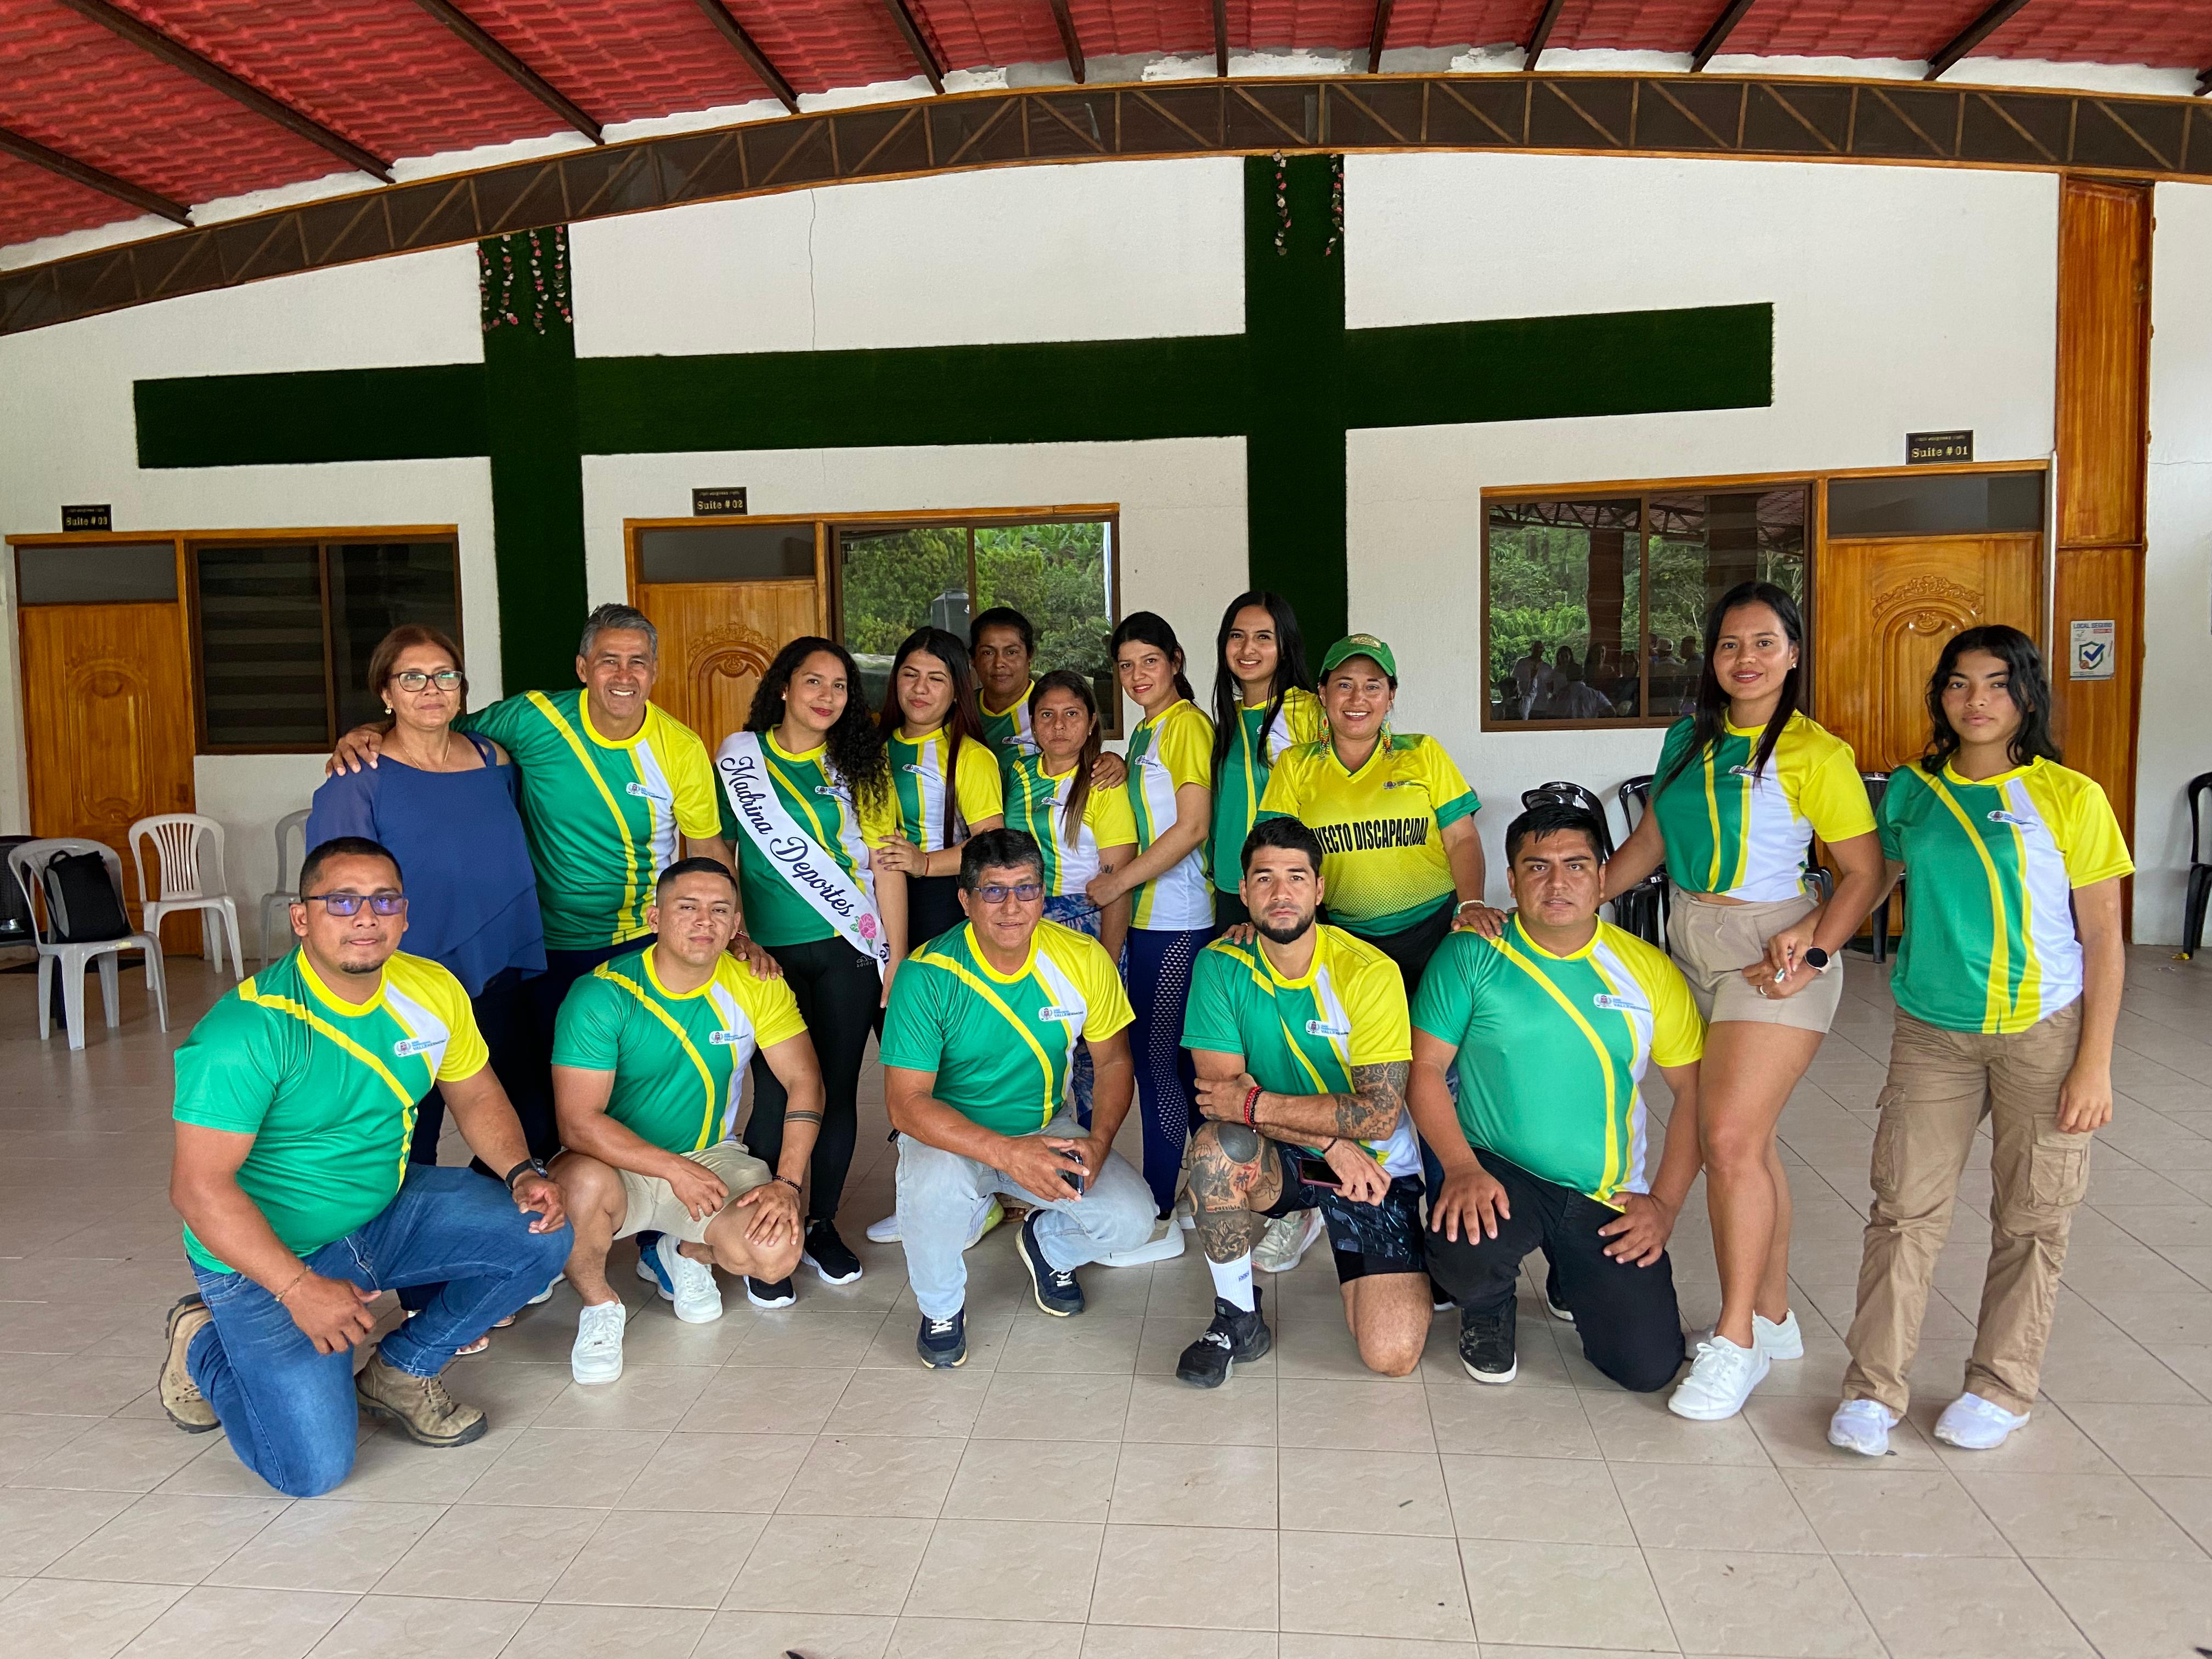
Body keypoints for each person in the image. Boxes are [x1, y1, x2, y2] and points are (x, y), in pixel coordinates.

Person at [158, 837, 570, 1497]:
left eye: (384, 901)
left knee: (542, 1233)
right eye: (342, 901)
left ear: (405, 916)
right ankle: (204, 1341)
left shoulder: (431, 988)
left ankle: (401, 1371)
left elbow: (476, 1093)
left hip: (382, 1212)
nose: (366, 918)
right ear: (302, 918)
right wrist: (298, 1289)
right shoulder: (245, 1031)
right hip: (268, 1257)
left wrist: (522, 1172)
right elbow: (198, 1190)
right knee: (310, 1472)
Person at [1583, 582, 1884, 1423]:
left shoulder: (1816, 752)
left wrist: (1815, 949)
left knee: (1725, 1138)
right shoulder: (1688, 737)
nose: (1745, 659)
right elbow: (1651, 839)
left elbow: (1866, 873)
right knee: (1750, 1144)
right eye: (1729, 644)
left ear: (1793, 654)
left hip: (1773, 951)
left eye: (1763, 643)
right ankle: (1775, 1318)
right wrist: (1577, 898)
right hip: (1689, 939)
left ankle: (1736, 1338)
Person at [1827, 626, 2130, 1458]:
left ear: (2026, 695)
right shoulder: (1913, 791)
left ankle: (2001, 1386)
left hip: (2044, 1030)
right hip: (1933, 1033)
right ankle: (1872, 1390)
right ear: (1941, 697)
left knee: (2032, 1218)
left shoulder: (2071, 796)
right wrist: (1811, 943)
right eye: (1959, 684)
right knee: (1902, 1212)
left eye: (1997, 683)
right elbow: (1871, 879)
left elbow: (2105, 938)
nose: (1977, 700)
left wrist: (2095, 1064)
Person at [331, 604, 731, 1160]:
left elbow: (707, 849)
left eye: (638, 662)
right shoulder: (531, 718)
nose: (624, 675)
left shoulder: (680, 748)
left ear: (655, 671)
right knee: (532, 1102)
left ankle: (626, 1200)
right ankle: (512, 1193)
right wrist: (369, 731)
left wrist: (734, 933)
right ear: (582, 668)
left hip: (636, 944)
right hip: (542, 950)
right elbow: (435, 724)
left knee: (629, 1090)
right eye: (609, 660)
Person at [1410, 803, 1705, 1393]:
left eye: (1576, 866)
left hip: (1604, 1189)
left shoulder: (1647, 970)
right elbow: (1425, 1070)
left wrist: (1664, 1206)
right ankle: (1487, 1306)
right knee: (1464, 1246)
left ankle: (1570, 1272)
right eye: (1537, 867)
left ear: (1602, 876)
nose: (1557, 883)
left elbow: (1694, 1096)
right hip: (1498, 1171)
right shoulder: (1471, 954)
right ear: (1512, 879)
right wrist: (1462, 1168)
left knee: (1647, 1368)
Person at [881, 830, 1155, 1367]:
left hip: (1043, 1127)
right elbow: (906, 1104)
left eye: (1026, 889)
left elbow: (1114, 1063)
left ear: (1043, 894)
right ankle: (941, 1309)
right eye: (993, 891)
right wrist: (1008, 1155)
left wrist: (1099, 1142)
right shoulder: (927, 973)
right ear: (965, 900)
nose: (1012, 907)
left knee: (1131, 1219)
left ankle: (1047, 1246)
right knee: (931, 1194)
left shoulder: (1082, 957)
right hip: (950, 1135)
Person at [1176, 817, 1430, 1386]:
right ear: (1244, 892)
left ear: (1319, 889)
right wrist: (1331, 1144)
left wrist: (1258, 1106)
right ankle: (1238, 1316)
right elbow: (1220, 1100)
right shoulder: (1219, 965)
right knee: (1215, 1152)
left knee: (1391, 1355)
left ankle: (1394, 1248)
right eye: (1264, 878)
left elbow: (1379, 1115)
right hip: (1297, 1156)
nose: (1280, 892)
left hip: (1371, 1168)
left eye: (1296, 877)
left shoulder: (1369, 972)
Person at [549, 860, 825, 1375]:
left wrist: (787, 1183)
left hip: (712, 1156)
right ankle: (600, 1305)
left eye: (719, 910)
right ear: (655, 917)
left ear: (736, 924)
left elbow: (804, 1081)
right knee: (578, 1187)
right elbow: (578, 1123)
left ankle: (688, 1252)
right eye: (687, 907)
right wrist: (674, 1170)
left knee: (776, 1254)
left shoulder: (756, 982)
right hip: (614, 1165)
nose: (704, 921)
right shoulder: (602, 994)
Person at [306, 626, 546, 1173]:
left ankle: (501, 1214)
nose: (431, 689)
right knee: (411, 1129)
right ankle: (404, 1222)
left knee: (520, 1118)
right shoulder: (357, 778)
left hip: (497, 966)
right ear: (386, 693)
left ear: (461, 688)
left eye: (445, 676)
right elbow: (334, 892)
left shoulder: (493, 759)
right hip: (405, 978)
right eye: (412, 678)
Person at [717, 636, 905, 1304]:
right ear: (784, 687)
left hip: (848, 948)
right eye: (814, 682)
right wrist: (735, 935)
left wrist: (895, 957)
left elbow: (886, 867)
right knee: (775, 1096)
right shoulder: (740, 760)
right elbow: (717, 852)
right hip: (766, 955)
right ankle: (761, 1231)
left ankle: (818, 1222)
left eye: (841, 686)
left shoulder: (861, 766)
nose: (828, 696)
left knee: (837, 1090)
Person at [1257, 633, 1485, 1000]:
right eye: (1344, 685)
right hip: (1346, 940)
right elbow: (1274, 852)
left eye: (1373, 686)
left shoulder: (1423, 753)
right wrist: (1265, 915)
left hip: (1435, 933)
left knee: (1435, 1034)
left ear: (1390, 696)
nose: (1357, 699)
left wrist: (1472, 903)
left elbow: (1462, 837)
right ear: (1323, 693)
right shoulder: (1296, 764)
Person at [1086, 612, 1215, 1222]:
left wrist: (1118, 882)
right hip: (1149, 920)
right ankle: (1209, 1183)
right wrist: (1116, 760)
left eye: (1150, 662)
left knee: (1157, 1063)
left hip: (1178, 921)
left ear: (1176, 662)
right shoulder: (1145, 732)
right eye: (1126, 665)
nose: (1137, 675)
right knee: (1180, 1066)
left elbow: (1192, 827)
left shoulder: (1186, 724)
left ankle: (1160, 1204)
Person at [1003, 670, 1137, 1124]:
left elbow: (1117, 884)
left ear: (1092, 721)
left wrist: (1109, 962)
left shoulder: (1103, 782)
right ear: (1032, 721)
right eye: (1047, 715)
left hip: (1087, 927)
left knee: (1091, 1057)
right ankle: (1030, 1150)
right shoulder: (1017, 774)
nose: (1059, 726)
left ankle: (1092, 1150)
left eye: (1072, 714)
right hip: (1024, 925)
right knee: (1030, 1044)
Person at [872, 627, 1005, 951]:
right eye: (910, 675)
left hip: (938, 900)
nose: (920, 688)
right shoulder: (871, 747)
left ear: (958, 691)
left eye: (936, 679)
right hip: (866, 896)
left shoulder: (971, 756)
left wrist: (924, 863)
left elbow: (989, 845)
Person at [1208, 591, 1324, 935]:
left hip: (1289, 887)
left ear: (1285, 647)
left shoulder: (1309, 711)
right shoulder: (1225, 723)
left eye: (1263, 637)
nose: (1248, 649)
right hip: (1232, 886)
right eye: (1237, 636)